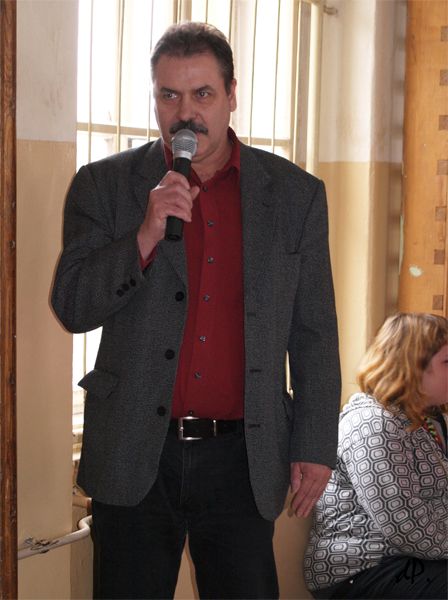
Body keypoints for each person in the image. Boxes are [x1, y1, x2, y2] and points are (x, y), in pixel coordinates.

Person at [51, 22, 341, 600]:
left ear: (232, 94)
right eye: (169, 95)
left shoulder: (295, 196)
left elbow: (314, 331)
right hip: (135, 450)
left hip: (244, 456)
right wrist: (144, 234)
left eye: (202, 93)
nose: (185, 113)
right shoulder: (104, 185)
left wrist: (314, 444)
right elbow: (73, 305)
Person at [304, 312, 448, 600]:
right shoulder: (372, 423)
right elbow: (407, 528)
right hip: (363, 569)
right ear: (412, 365)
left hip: (415, 558)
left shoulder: (428, 420)